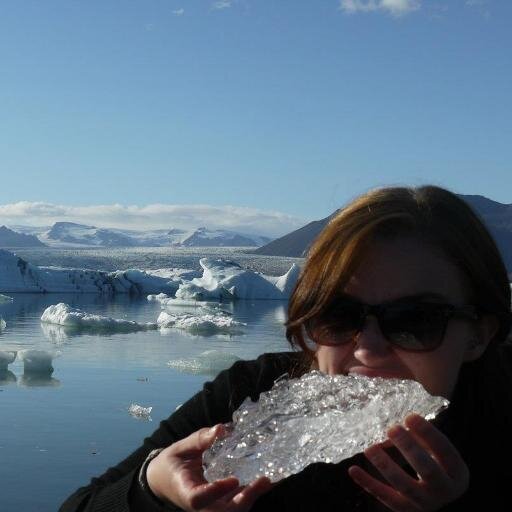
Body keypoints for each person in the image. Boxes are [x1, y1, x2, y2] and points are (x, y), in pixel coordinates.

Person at [60, 185, 512, 512]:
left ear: (479, 334)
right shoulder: (247, 397)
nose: (368, 348)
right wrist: (152, 489)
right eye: (339, 316)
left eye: (416, 321)